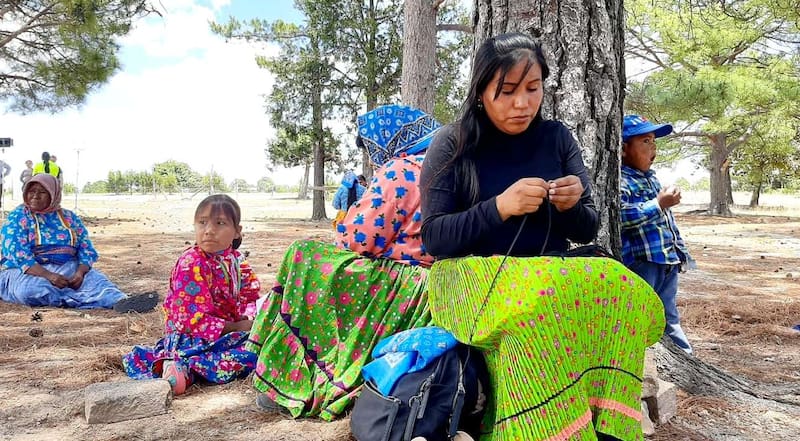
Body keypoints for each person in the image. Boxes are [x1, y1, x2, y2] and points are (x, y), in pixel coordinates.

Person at [420, 33, 665, 440]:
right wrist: (499, 206)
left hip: (546, 271)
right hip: (467, 278)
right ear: (481, 91)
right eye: (508, 91)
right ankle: (543, 429)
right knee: (540, 304)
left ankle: (608, 425)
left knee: (624, 289)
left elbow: (587, 227)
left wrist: (570, 206)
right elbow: (434, 238)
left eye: (533, 89)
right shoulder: (454, 141)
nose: (522, 104)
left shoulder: (557, 138)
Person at [247, 104, 440, 420]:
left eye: (370, 147)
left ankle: (297, 377)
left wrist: (352, 209)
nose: (372, 157)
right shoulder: (441, 166)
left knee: (303, 255)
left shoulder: (401, 171)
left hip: (403, 284)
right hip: (431, 289)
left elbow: (356, 240)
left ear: (387, 140)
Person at [123, 194, 263, 395]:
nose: (209, 231)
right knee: (256, 355)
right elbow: (190, 320)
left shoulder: (234, 260)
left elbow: (251, 294)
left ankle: (189, 367)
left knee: (270, 341)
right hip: (193, 340)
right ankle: (184, 367)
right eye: (202, 223)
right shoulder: (192, 263)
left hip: (227, 333)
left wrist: (252, 318)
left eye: (220, 223)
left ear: (237, 232)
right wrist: (237, 326)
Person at [620, 114, 694, 354]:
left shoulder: (651, 178)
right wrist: (658, 204)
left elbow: (667, 223)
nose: (653, 148)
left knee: (669, 318)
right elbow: (622, 216)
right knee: (639, 317)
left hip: (666, 261)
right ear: (623, 149)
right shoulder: (621, 180)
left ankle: (687, 362)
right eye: (645, 141)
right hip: (643, 263)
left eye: (654, 141)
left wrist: (679, 253)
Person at [0, 174, 129, 309]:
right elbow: (17, 253)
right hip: (28, 270)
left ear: (53, 194)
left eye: (42, 192)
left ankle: (121, 302)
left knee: (98, 282)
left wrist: (79, 273)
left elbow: (86, 249)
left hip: (67, 268)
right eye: (31, 191)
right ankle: (76, 299)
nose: (35, 196)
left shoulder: (69, 217)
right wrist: (49, 275)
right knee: (30, 291)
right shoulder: (18, 216)